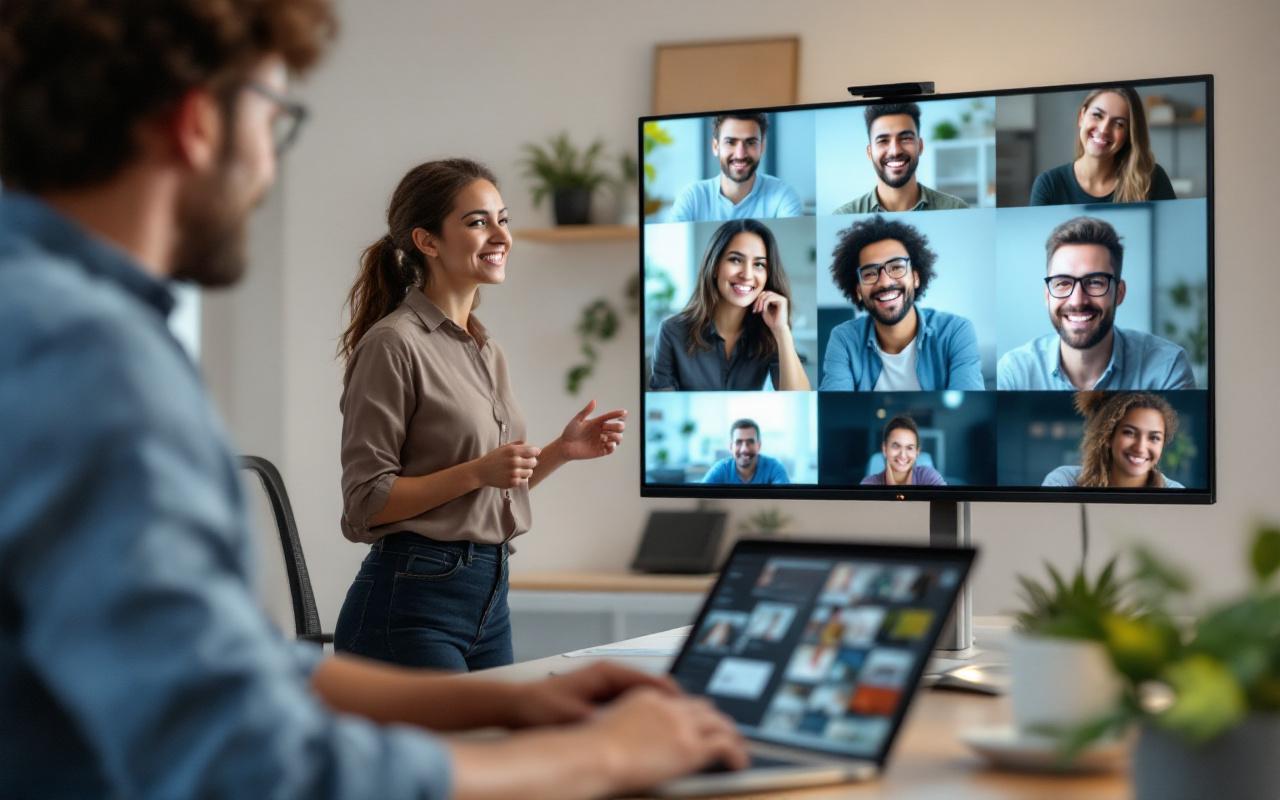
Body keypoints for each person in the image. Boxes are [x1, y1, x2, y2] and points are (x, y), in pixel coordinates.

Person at [0, 3, 746, 798]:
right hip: (416, 591)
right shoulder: (89, 359)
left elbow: (215, 665)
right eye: (275, 123)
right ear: (197, 126)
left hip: (481, 593)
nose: (269, 171)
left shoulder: (45, 324)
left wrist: (518, 701)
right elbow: (242, 756)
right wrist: (602, 756)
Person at [335, 159, 640, 671]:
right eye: (478, 222)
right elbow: (366, 502)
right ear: (428, 242)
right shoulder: (393, 344)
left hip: (489, 599)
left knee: (500, 749)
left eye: (504, 218)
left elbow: (486, 490)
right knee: (461, 754)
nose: (501, 235)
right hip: (411, 605)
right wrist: (478, 470)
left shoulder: (483, 346)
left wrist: (560, 452)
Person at [998, 216, 1196, 391]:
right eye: (1063, 283)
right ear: (1047, 295)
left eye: (1094, 282)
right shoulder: (1015, 372)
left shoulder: (1167, 367)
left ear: (1119, 293)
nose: (1077, 301)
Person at [820, 215, 985, 391]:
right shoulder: (844, 339)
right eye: (869, 273)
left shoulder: (955, 332)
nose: (884, 282)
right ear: (859, 291)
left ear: (915, 278)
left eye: (897, 267)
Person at [649, 219, 810, 391]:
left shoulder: (768, 334)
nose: (747, 274)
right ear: (715, 266)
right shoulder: (671, 331)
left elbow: (799, 394)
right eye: (735, 260)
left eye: (759, 264)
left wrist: (782, 331)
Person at [1030, 87, 1177, 206]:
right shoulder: (1049, 185)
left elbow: (1176, 239)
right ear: (1082, 117)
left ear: (1129, 134)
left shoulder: (1151, 178)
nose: (1104, 129)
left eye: (1119, 124)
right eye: (1097, 115)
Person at [833, 103, 968, 214]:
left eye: (905, 138)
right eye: (883, 140)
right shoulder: (843, 215)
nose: (895, 151)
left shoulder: (956, 209)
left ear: (920, 146)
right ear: (869, 152)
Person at [667, 113, 803, 222]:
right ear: (715, 147)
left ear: (762, 147)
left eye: (750, 142)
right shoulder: (692, 197)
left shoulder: (783, 196)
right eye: (730, 142)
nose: (740, 154)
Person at [1043, 392, 1185, 488]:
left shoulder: (1176, 491)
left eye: (1154, 437)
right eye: (1129, 433)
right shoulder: (1064, 481)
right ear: (1109, 437)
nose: (1141, 448)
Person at [860, 416, 946, 486]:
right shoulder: (869, 483)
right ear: (884, 449)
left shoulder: (928, 476)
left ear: (917, 452)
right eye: (896, 446)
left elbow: (947, 504)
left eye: (909, 448)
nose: (903, 455)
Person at [700, 419, 791, 484]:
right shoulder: (721, 469)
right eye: (739, 442)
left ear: (759, 446)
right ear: (731, 447)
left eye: (750, 442)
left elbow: (785, 500)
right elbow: (700, 496)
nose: (745, 449)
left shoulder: (774, 467)